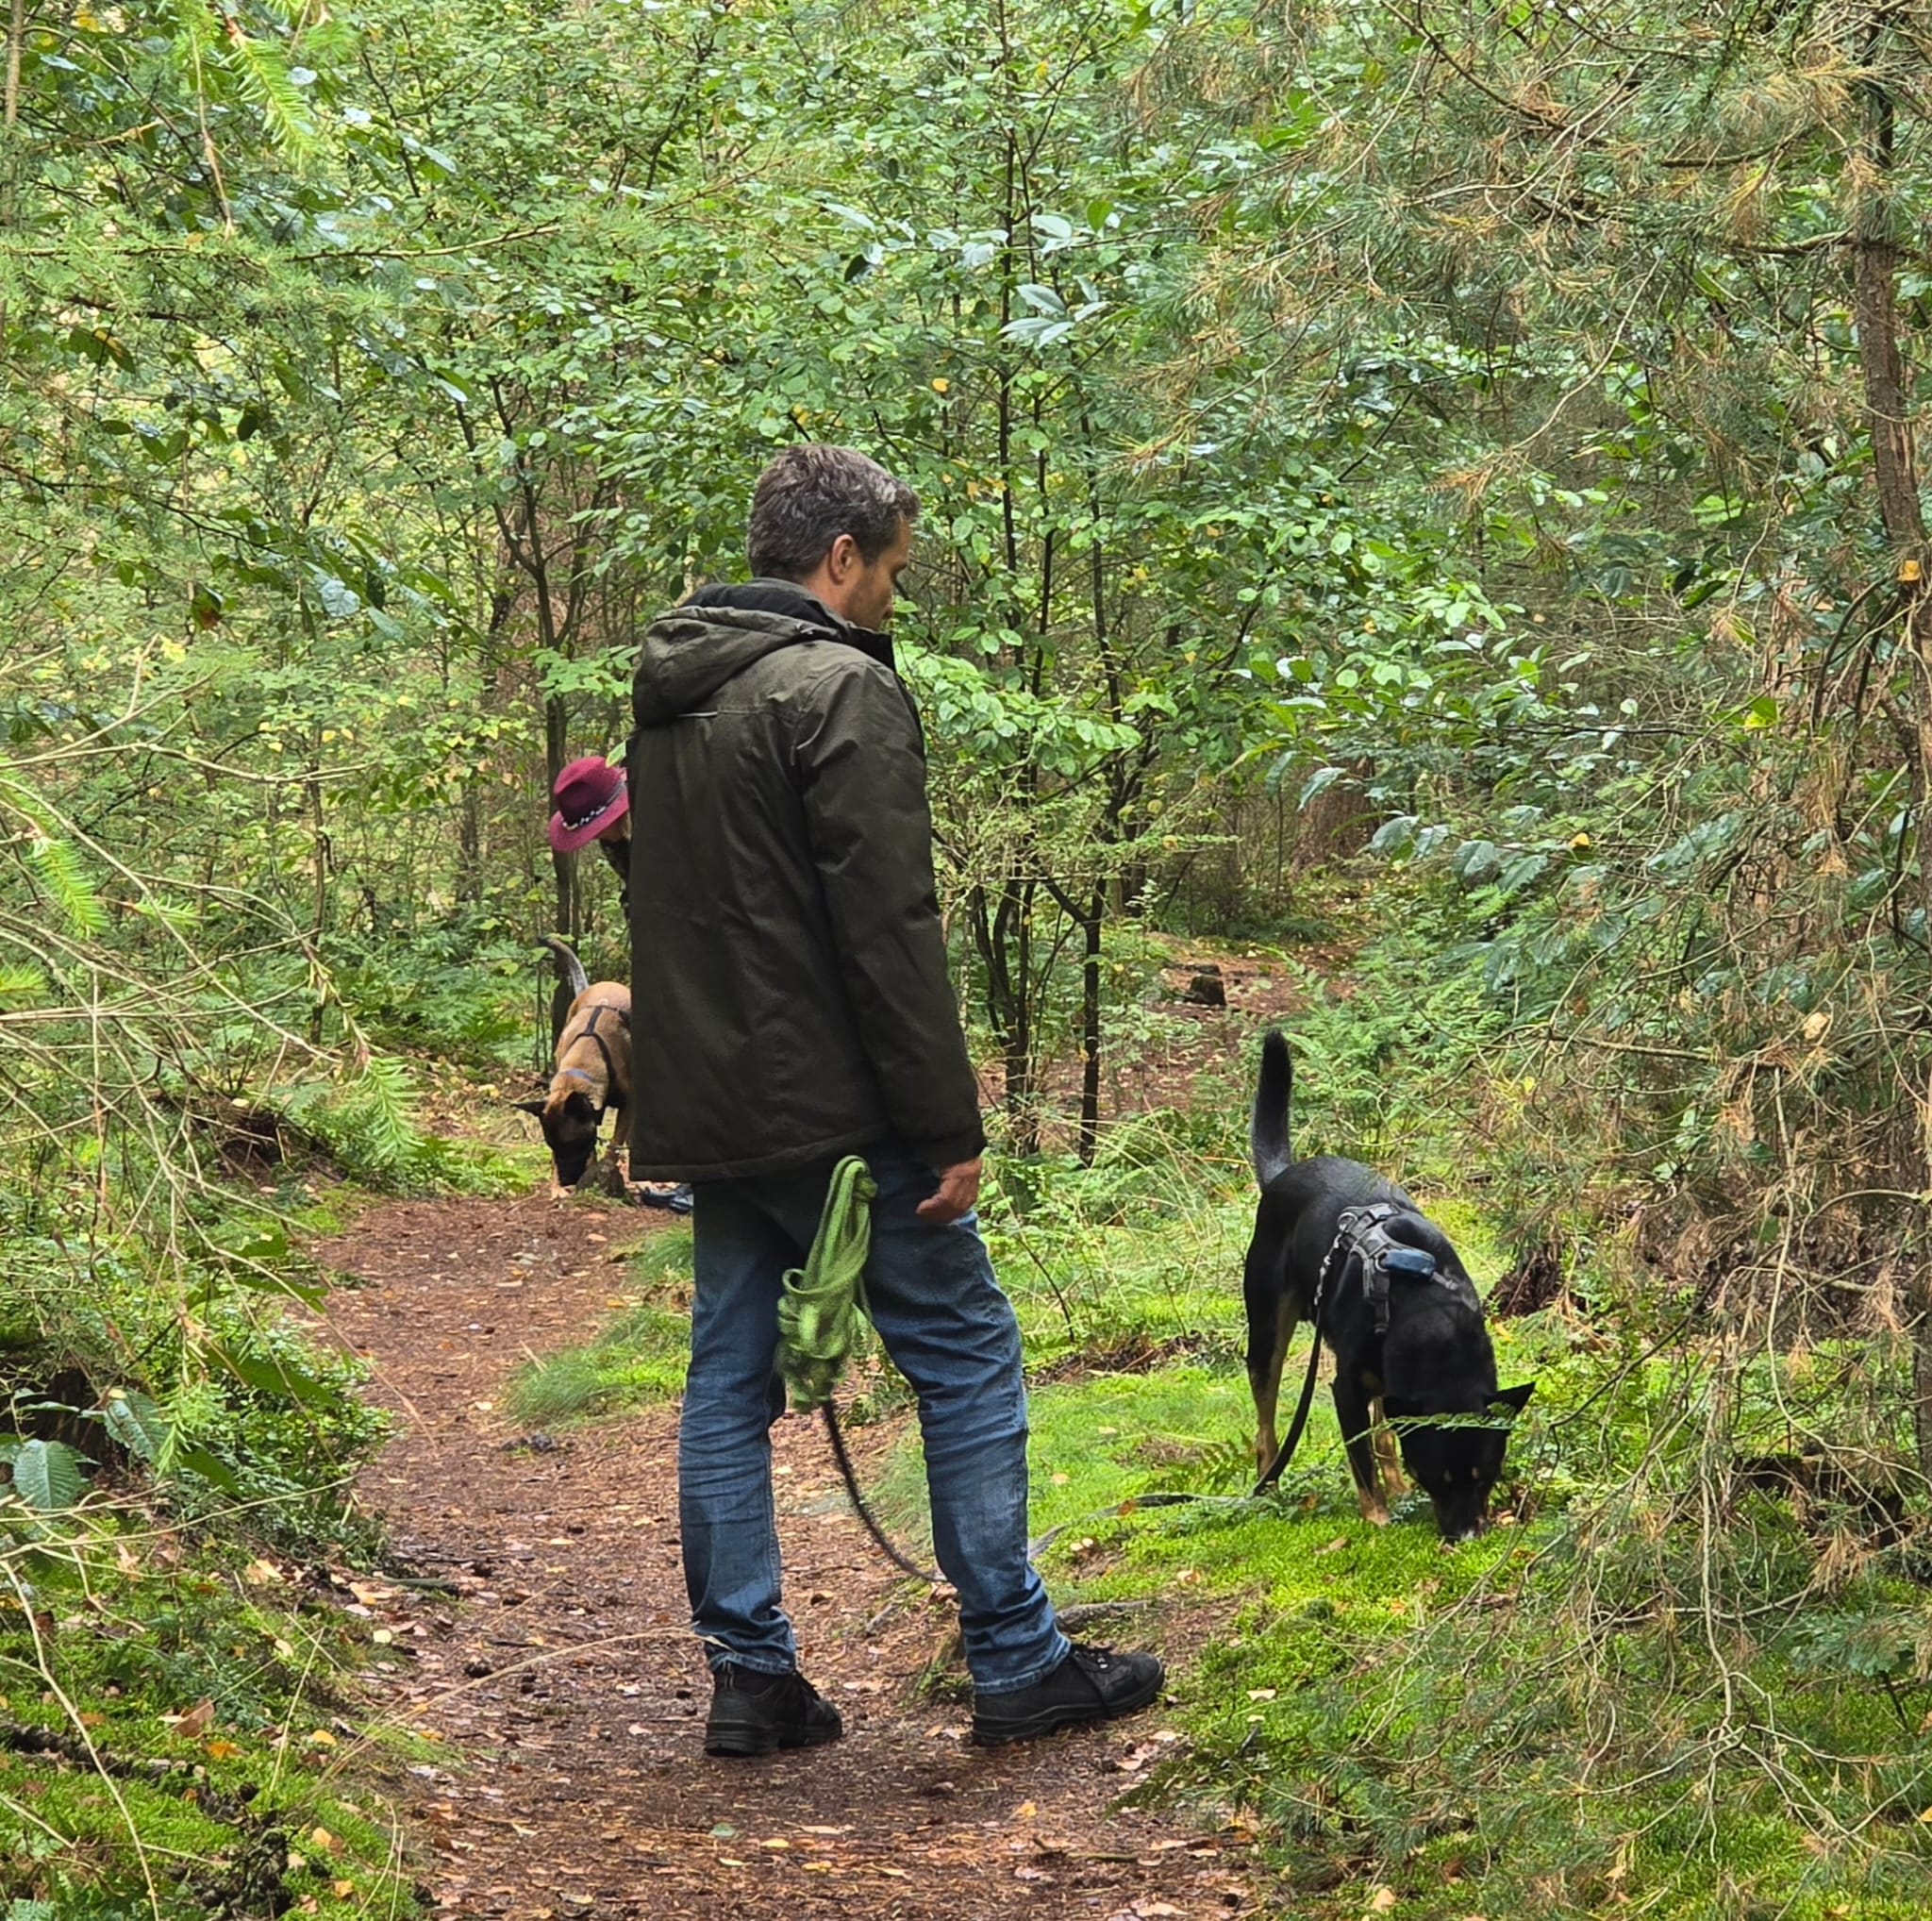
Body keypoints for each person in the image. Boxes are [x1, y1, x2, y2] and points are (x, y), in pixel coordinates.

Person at [626, 443, 1164, 1757]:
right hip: (837, 1112)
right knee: (967, 1352)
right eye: (891, 576)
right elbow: (888, 929)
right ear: (842, 557)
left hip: (716, 1109)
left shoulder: (671, 691)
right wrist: (944, 1126)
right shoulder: (835, 692)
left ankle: (752, 1679)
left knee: (727, 1378)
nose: (892, 603)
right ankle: (1019, 1658)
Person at [547, 756, 691, 1215]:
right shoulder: (625, 839)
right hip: (662, 948)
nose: (601, 840)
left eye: (602, 829)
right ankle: (691, 1176)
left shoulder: (665, 821)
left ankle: (699, 1180)